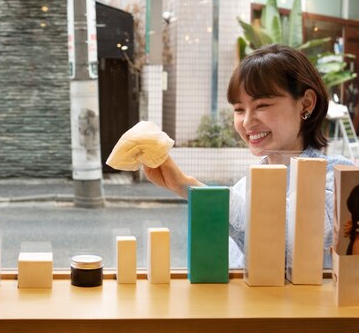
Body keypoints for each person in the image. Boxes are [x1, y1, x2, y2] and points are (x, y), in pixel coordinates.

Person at [143, 44, 355, 267]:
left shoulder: (337, 177)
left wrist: (188, 187)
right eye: (239, 109)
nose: (247, 122)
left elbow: (295, 245)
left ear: (306, 103)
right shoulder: (243, 188)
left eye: (262, 105)